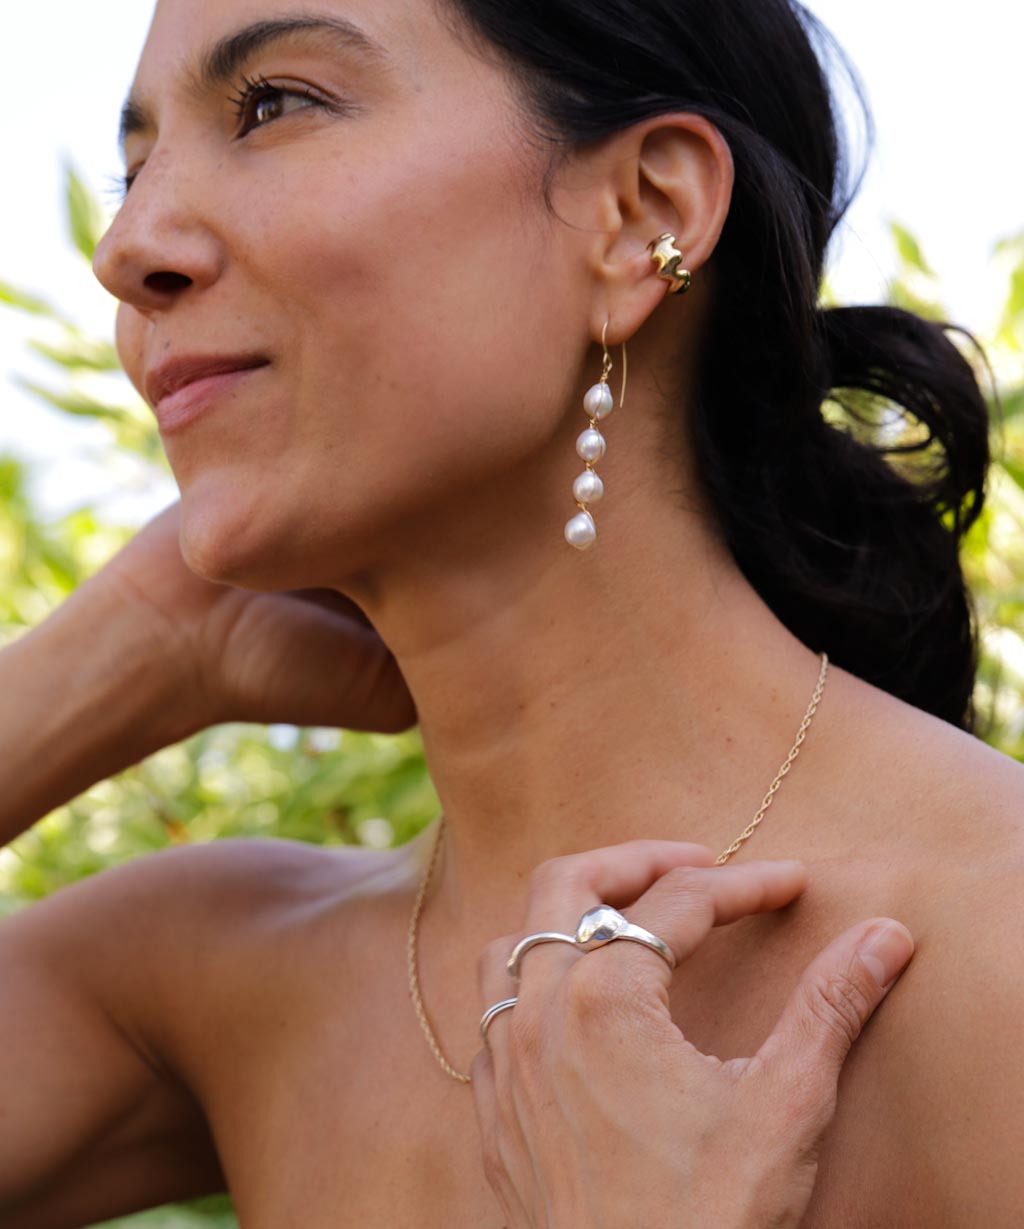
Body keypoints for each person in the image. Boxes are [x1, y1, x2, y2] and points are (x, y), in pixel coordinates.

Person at [0, 0, 1020, 1224]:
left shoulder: (990, 935)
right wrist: (122, 650)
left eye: (274, 104)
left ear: (640, 214)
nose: (128, 246)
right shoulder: (217, 973)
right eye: (133, 168)